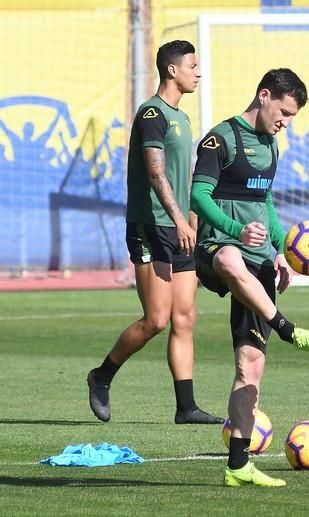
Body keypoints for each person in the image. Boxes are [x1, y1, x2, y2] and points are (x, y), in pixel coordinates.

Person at [190, 68, 309, 488]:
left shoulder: (272, 146)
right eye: (284, 112)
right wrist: (234, 231)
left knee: (249, 366)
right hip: (219, 247)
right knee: (232, 260)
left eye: (292, 117)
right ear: (264, 95)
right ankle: (288, 328)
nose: (286, 122)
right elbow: (198, 195)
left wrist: (280, 250)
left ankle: (238, 466)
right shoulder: (222, 139)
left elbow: (265, 200)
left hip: (258, 260)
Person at [87, 40, 223, 424]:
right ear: (172, 71)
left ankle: (186, 407)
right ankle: (101, 376)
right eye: (192, 66)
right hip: (152, 227)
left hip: (180, 226)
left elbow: (183, 177)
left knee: (185, 317)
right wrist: (179, 219)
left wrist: (192, 217)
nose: (199, 72)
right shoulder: (152, 113)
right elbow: (155, 172)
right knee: (156, 320)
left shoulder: (183, 118)